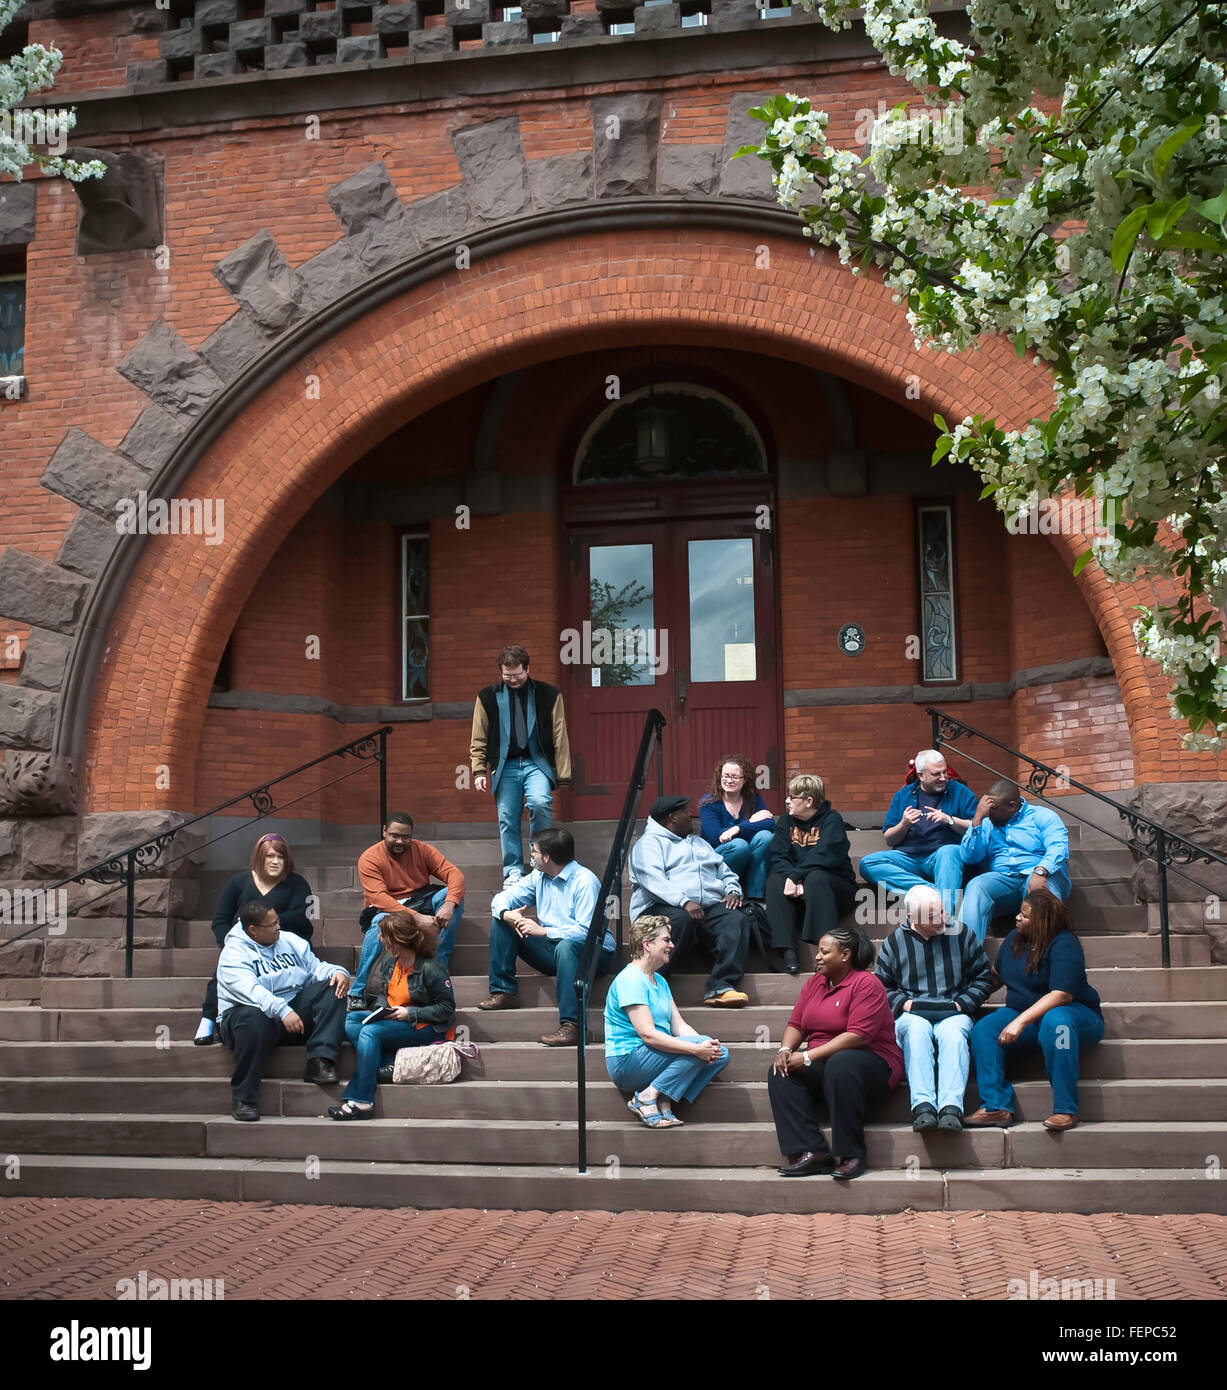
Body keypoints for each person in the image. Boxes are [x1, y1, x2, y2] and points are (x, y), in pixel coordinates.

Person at [768, 923, 904, 1180]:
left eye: (824, 952)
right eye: (818, 951)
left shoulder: (866, 983)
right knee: (781, 1071)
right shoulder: (815, 983)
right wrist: (785, 1050)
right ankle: (813, 1152)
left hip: (874, 1064)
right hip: (826, 1064)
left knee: (842, 1062)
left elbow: (858, 1036)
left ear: (845, 955)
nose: (817, 957)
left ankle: (852, 1154)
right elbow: (797, 1024)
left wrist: (807, 1056)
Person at [966, 891, 1104, 1131]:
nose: (1017, 918)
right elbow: (996, 977)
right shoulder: (1014, 939)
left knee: (1057, 1024)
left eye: (1025, 915)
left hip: (1074, 1017)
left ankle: (1065, 1109)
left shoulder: (1064, 944)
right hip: (1025, 1016)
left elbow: (1061, 995)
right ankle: (996, 1105)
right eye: (1019, 912)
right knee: (984, 1030)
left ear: (1043, 921)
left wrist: (1019, 1022)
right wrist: (964, 997)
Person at [216, 898, 350, 1121]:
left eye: (277, 921)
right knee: (252, 1016)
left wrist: (337, 972)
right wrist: (282, 1010)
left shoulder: (290, 941)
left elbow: (314, 968)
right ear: (253, 930)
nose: (278, 927)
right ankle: (244, 1097)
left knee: (332, 988)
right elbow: (252, 992)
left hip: (291, 1017)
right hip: (247, 1020)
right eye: (272, 925)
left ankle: (320, 1061)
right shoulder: (233, 955)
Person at [478, 826, 614, 1046]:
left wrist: (544, 931)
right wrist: (506, 913)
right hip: (554, 950)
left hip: (593, 954)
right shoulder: (539, 876)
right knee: (502, 920)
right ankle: (504, 991)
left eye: (534, 851)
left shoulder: (585, 881)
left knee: (567, 946)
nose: (531, 856)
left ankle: (573, 1026)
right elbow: (503, 898)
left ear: (547, 857)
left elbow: (586, 931)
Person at [874, 884, 993, 1132]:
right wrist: (903, 1003)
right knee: (916, 1033)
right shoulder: (895, 942)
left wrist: (962, 1003)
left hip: (954, 1008)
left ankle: (951, 1108)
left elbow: (983, 978)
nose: (941, 919)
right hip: (912, 1011)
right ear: (912, 918)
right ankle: (923, 1107)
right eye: (931, 916)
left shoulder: (962, 934)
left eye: (941, 911)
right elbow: (881, 986)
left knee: (953, 1035)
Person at [328, 910, 457, 1120]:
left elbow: (447, 1008)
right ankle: (388, 1062)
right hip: (393, 1020)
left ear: (397, 940)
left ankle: (362, 1101)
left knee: (369, 1033)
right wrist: (382, 1011)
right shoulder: (391, 962)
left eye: (383, 935)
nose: (379, 938)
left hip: (425, 1027)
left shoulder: (431, 967)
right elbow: (383, 994)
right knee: (351, 1020)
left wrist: (409, 1012)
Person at [604, 914, 730, 1127]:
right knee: (698, 1049)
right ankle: (646, 1097)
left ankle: (663, 1097)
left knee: (720, 1054)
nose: (672, 945)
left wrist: (705, 1045)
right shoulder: (631, 979)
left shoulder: (659, 980)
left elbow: (679, 1026)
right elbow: (648, 1035)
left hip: (653, 1055)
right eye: (666, 940)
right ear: (647, 944)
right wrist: (697, 1048)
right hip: (628, 1062)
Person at [627, 793, 751, 1007]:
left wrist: (732, 890)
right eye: (685, 811)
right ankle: (649, 985)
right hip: (660, 907)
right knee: (677, 920)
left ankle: (721, 986)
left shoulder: (699, 843)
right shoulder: (648, 844)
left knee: (734, 919)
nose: (691, 815)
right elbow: (652, 880)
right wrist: (684, 901)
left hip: (706, 907)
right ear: (672, 817)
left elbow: (724, 871)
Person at [194, 833, 313, 1046]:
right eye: (270, 856)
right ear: (259, 858)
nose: (275, 861)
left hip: (284, 948)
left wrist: (262, 924)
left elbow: (301, 919)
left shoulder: (297, 883)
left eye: (280, 857)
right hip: (245, 947)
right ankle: (208, 1019)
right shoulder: (238, 883)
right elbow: (220, 920)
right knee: (224, 969)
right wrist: (232, 943)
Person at [470, 644, 571, 886]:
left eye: (517, 674)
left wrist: (564, 772)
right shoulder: (487, 697)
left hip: (537, 763)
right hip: (505, 765)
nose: (513, 679)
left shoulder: (549, 694)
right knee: (507, 816)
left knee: (539, 802)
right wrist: (478, 770)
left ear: (527, 669)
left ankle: (539, 861)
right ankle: (513, 869)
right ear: (501, 672)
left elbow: (560, 735)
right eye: (507, 676)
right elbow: (478, 736)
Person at [348, 812, 465, 1004]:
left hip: (421, 901)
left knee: (450, 895)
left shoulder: (422, 849)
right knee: (378, 924)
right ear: (384, 831)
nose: (400, 841)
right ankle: (357, 991)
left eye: (405, 837)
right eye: (394, 835)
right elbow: (379, 898)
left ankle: (437, 964)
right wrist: (417, 918)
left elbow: (455, 874)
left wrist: (449, 904)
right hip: (386, 909)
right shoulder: (370, 858)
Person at [858, 749, 978, 917]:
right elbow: (889, 838)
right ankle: (934, 893)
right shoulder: (903, 795)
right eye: (936, 774)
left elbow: (977, 827)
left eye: (944, 772)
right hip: (909, 858)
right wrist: (904, 824)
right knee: (868, 863)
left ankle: (946, 916)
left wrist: (949, 820)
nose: (944, 777)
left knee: (949, 851)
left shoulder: (960, 792)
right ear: (921, 775)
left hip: (942, 859)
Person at [957, 779, 1072, 944]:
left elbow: (1058, 846)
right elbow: (969, 857)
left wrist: (1041, 871)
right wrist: (976, 820)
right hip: (1003, 880)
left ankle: (1048, 951)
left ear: (1011, 806)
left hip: (1040, 875)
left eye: (993, 809)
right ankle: (968, 953)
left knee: (1042, 893)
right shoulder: (987, 823)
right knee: (976, 886)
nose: (989, 813)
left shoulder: (1042, 816)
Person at [764, 773, 856, 975]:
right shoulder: (785, 821)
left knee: (816, 878)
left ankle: (823, 952)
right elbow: (778, 855)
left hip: (836, 890)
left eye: (792, 797)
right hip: (800, 890)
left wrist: (796, 876)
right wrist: (791, 876)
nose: (787, 801)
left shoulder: (831, 820)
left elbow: (826, 855)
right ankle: (787, 951)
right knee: (775, 880)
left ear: (809, 801)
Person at [697, 754, 775, 902]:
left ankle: (755, 897)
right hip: (718, 857)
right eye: (725, 776)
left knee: (765, 836)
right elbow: (716, 837)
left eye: (734, 777)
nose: (729, 780)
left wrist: (737, 829)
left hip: (748, 855)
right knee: (739, 845)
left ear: (744, 779)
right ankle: (725, 888)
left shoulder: (753, 799)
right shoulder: (709, 803)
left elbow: (770, 823)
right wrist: (750, 822)